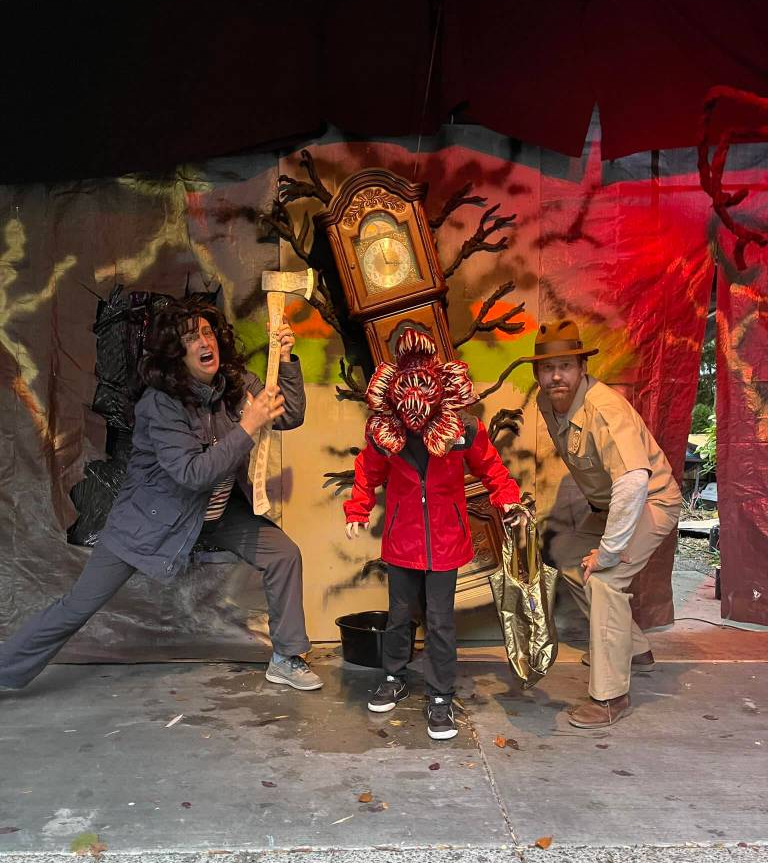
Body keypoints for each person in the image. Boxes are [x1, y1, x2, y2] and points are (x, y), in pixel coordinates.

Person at [0, 298, 322, 694]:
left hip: (215, 514)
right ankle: (5, 670)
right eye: (191, 337)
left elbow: (289, 414)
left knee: (283, 554)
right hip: (149, 521)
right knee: (77, 605)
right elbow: (191, 474)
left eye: (207, 332)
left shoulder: (234, 386)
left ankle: (286, 657)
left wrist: (286, 359)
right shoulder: (160, 403)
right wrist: (247, 428)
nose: (204, 341)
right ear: (175, 353)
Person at [344, 327, 521, 740]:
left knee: (440, 620)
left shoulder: (464, 430)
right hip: (402, 540)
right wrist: (358, 509)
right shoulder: (385, 433)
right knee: (399, 615)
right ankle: (394, 675)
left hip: (446, 541)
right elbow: (367, 473)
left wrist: (507, 498)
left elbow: (491, 469)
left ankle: (440, 694)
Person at [529, 320, 682, 728]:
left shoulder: (604, 408)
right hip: (610, 507)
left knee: (604, 577)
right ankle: (633, 649)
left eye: (565, 366)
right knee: (569, 561)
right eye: (547, 368)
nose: (556, 375)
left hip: (650, 502)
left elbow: (634, 482)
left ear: (582, 367)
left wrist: (609, 551)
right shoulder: (550, 403)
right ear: (538, 374)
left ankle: (611, 696)